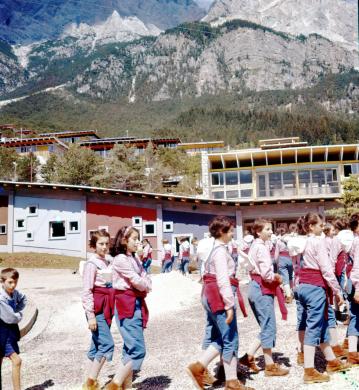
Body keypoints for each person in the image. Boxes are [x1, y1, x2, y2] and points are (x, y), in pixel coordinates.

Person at [187, 216, 253, 390]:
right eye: (230, 231)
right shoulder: (220, 252)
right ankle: (230, 381)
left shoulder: (212, 250)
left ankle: (200, 367)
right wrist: (229, 305)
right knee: (230, 337)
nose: (232, 234)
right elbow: (223, 280)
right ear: (222, 232)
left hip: (209, 294)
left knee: (220, 336)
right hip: (219, 295)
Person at [297, 213, 350, 384]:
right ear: (311, 226)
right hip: (316, 287)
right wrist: (337, 291)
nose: (323, 227)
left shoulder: (302, 241)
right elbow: (326, 268)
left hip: (303, 285)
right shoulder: (317, 242)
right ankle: (309, 370)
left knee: (323, 324)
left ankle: (331, 360)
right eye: (320, 225)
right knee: (314, 327)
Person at [106, 226, 151, 390]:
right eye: (135, 239)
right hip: (126, 303)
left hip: (136, 302)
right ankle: (115, 384)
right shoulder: (120, 259)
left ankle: (126, 385)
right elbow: (136, 280)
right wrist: (145, 285)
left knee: (129, 347)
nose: (138, 242)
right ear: (125, 240)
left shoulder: (134, 258)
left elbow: (144, 275)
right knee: (138, 349)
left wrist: (144, 283)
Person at [246, 219, 289, 377]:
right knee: (269, 327)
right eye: (268, 229)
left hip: (254, 287)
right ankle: (270, 366)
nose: (271, 232)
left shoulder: (254, 246)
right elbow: (266, 274)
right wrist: (277, 277)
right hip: (262, 289)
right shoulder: (261, 248)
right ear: (258, 232)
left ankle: (248, 356)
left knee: (266, 326)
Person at [82, 229, 114, 390]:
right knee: (107, 345)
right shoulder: (91, 264)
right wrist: (91, 316)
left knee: (96, 344)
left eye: (107, 244)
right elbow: (87, 291)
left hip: (108, 306)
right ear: (94, 245)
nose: (104, 247)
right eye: (101, 244)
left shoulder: (108, 261)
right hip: (97, 308)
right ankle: (91, 383)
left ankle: (88, 380)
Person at [0, 268, 27, 390]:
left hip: (9, 331)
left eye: (15, 282)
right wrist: (19, 314)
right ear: (2, 281)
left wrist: (17, 308)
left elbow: (24, 298)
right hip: (2, 332)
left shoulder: (14, 293)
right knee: (17, 361)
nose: (13, 285)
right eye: (10, 282)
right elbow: (11, 318)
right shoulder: (1, 299)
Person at [347, 213, 359, 365]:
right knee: (356, 316)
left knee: (355, 316)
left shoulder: (354, 241)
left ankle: (352, 352)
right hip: (357, 283)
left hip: (353, 282)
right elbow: (357, 267)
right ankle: (352, 353)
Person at [274, 227, 294, 304]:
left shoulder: (278, 241)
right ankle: (291, 292)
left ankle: (288, 296)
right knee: (290, 276)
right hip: (291, 259)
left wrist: (276, 262)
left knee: (285, 278)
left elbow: (276, 254)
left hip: (282, 260)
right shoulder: (291, 240)